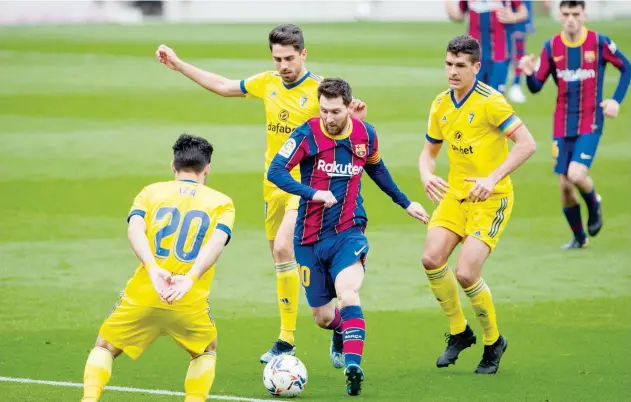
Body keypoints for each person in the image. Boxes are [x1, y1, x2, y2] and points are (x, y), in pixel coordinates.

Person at [156, 24, 366, 363]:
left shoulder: (319, 92)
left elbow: (345, 133)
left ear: (303, 54)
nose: (282, 65)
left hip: (307, 188)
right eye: (277, 58)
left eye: (288, 58)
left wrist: (355, 120)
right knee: (281, 262)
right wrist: (179, 65)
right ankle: (338, 324)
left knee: (285, 247)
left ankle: (286, 340)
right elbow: (224, 86)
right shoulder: (266, 82)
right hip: (273, 186)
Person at [267, 78, 429, 395]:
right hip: (309, 238)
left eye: (336, 111)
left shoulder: (365, 134)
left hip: (348, 232)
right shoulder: (307, 133)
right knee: (323, 317)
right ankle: (340, 331)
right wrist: (313, 193)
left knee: (349, 293)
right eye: (324, 110)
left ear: (349, 107)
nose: (329, 117)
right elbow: (276, 171)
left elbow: (377, 169)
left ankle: (354, 368)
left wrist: (405, 202)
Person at [81, 134, 235, 402]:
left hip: (146, 292)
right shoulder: (222, 202)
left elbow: (135, 228)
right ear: (207, 168)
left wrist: (152, 268)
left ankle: (89, 399)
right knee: (205, 350)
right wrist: (189, 278)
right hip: (188, 298)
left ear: (173, 166)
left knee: (105, 346)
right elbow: (217, 242)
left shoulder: (151, 192)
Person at [419, 35, 536, 374]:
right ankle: (459, 333)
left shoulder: (491, 102)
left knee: (467, 273)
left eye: (460, 66)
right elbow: (428, 152)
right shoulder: (440, 103)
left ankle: (492, 341)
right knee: (430, 258)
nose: (452, 72)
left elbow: (527, 144)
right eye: (448, 64)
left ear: (476, 67)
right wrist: (426, 174)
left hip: (491, 199)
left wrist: (492, 178)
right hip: (456, 196)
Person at [519, 0, 630, 249]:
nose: (571, 19)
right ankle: (580, 239)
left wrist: (615, 100)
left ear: (584, 15)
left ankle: (594, 203)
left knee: (576, 173)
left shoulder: (599, 43)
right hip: (562, 123)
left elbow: (627, 68)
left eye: (575, 14)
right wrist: (528, 72)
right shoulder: (551, 47)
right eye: (566, 13)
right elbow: (536, 87)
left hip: (590, 120)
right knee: (565, 187)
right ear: (559, 15)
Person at [445, 0, 528, 94]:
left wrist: (513, 17)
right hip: (474, 55)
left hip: (499, 53)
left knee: (495, 97)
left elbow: (523, 12)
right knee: (474, 96)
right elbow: (459, 16)